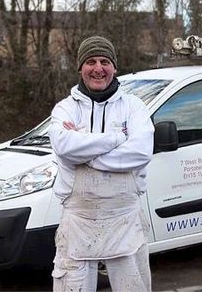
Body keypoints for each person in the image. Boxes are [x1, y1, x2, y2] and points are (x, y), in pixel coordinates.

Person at [49, 36, 154, 292]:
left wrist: (85, 150)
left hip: (124, 220)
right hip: (78, 223)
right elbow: (64, 147)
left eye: (105, 61)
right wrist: (118, 138)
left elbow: (140, 152)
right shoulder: (65, 109)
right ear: (80, 68)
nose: (98, 68)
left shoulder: (134, 107)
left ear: (114, 67)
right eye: (91, 61)